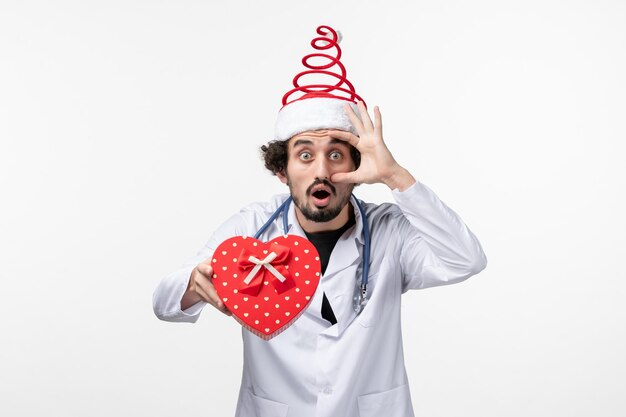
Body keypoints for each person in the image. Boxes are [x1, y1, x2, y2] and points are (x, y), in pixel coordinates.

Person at [153, 25, 486, 417]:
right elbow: (163, 302)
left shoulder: (389, 231)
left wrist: (396, 175)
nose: (321, 171)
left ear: (359, 166)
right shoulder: (253, 227)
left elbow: (466, 259)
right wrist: (193, 282)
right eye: (305, 155)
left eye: (336, 154)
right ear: (282, 169)